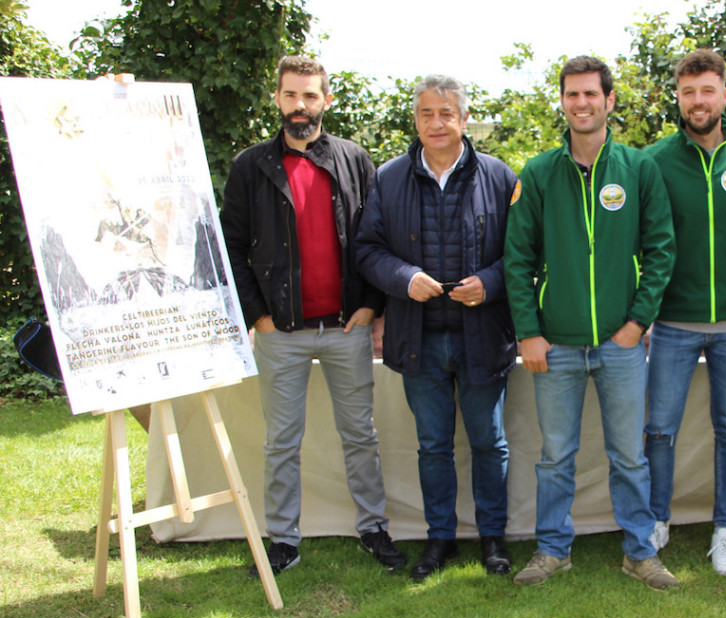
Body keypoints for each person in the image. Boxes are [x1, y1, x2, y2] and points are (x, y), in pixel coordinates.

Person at [220, 55, 404, 576]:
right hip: (281, 332)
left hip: (347, 326)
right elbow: (231, 246)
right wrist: (257, 316)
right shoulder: (249, 166)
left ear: (326, 99)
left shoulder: (353, 159)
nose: (299, 105)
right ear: (277, 99)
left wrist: (372, 305)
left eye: (309, 95)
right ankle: (283, 539)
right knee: (281, 441)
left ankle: (373, 527)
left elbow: (377, 240)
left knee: (360, 436)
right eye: (290, 95)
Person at [504, 55, 679, 590]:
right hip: (554, 345)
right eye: (572, 94)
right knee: (555, 456)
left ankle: (639, 551)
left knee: (629, 456)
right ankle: (553, 549)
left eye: (591, 94)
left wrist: (636, 323)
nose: (581, 103)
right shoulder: (537, 173)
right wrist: (529, 330)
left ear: (608, 101)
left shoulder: (638, 168)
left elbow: (661, 250)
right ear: (562, 101)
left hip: (621, 344)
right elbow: (517, 258)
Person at [355, 75, 518, 580]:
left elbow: (523, 253)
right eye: (427, 113)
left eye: (447, 113)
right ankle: (440, 539)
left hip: (482, 337)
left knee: (489, 443)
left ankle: (493, 539)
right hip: (418, 339)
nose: (437, 123)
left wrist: (489, 283)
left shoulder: (499, 176)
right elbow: (367, 249)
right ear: (417, 120)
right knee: (433, 447)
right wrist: (404, 279)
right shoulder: (388, 177)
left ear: (465, 119)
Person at [642, 49, 726, 576]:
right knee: (659, 428)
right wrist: (643, 310)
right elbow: (640, 243)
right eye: (689, 91)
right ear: (678, 96)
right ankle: (656, 519)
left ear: (725, 95)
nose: (698, 101)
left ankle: (723, 531)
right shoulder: (654, 161)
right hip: (672, 322)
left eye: (708, 90)